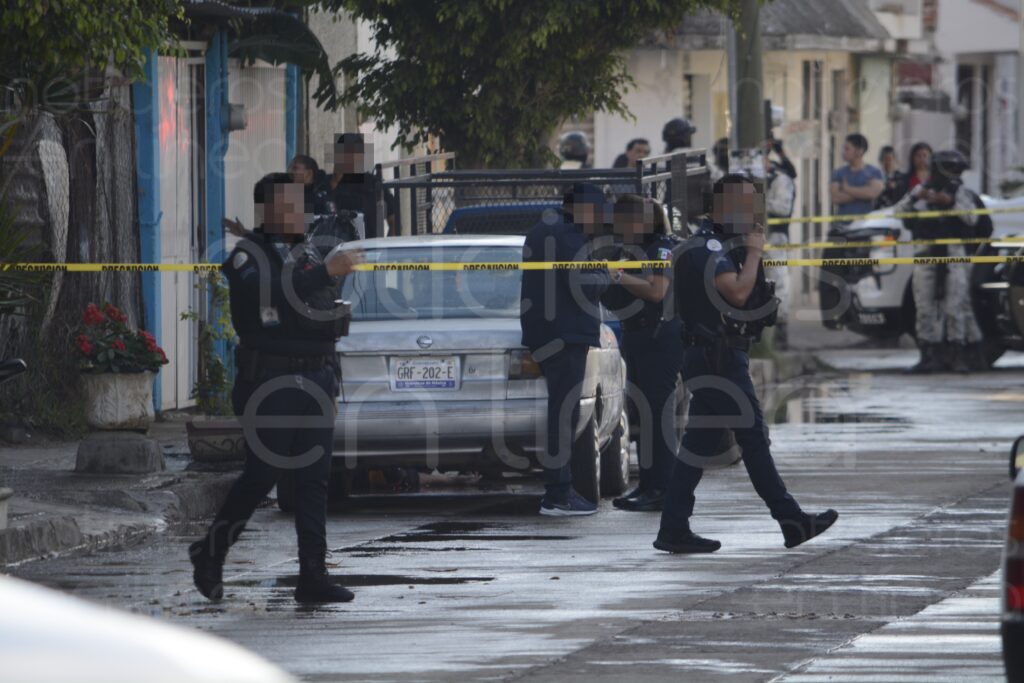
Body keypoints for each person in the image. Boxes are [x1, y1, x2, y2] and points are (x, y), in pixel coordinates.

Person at [189, 172, 364, 603]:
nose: (296, 213)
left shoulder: (304, 253)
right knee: (261, 475)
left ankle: (313, 575)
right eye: (286, 205)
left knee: (314, 480)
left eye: (300, 204)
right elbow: (267, 294)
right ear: (266, 210)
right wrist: (324, 270)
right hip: (271, 380)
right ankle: (211, 552)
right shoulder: (247, 255)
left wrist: (333, 385)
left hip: (317, 378)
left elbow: (323, 318)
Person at [654, 174, 838, 554]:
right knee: (753, 438)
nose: (749, 212)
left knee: (696, 448)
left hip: (711, 355)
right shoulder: (708, 246)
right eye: (741, 204)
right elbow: (737, 293)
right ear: (717, 205)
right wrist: (755, 253)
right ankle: (792, 521)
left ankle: (673, 527)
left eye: (752, 204)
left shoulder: (714, 244)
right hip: (716, 357)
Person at [520, 183, 612, 516]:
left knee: (561, 411)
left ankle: (560, 490)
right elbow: (585, 285)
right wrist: (605, 274)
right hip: (566, 334)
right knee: (564, 414)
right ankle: (559, 494)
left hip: (547, 332)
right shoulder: (571, 235)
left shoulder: (544, 228)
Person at [604, 196, 682, 512]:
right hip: (638, 336)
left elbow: (656, 290)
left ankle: (664, 487)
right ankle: (648, 484)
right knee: (643, 415)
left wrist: (619, 275)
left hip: (660, 338)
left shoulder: (661, 248)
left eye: (622, 221)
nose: (618, 228)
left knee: (658, 415)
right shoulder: (631, 249)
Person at [895, 150, 987, 373]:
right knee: (924, 306)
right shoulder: (922, 191)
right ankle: (928, 354)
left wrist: (951, 201)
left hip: (954, 253)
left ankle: (959, 354)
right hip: (926, 251)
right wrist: (919, 195)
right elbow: (899, 211)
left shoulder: (961, 193)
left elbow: (972, 217)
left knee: (957, 305)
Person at [223, 155, 331, 237]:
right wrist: (246, 234)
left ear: (308, 173)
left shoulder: (318, 200)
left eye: (295, 168)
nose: (290, 172)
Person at [329, 132, 397, 239]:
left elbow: (394, 223)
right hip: (335, 248)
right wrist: (334, 182)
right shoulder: (326, 184)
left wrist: (385, 250)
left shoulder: (374, 184)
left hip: (369, 249)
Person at [764, 135, 797, 349]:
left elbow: (782, 208)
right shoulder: (741, 174)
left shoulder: (779, 177)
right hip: (748, 238)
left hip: (774, 236)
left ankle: (780, 332)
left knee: (778, 282)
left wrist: (758, 201)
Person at [830, 133, 884, 218]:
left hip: (866, 225)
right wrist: (863, 193)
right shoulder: (838, 173)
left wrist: (847, 189)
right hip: (842, 225)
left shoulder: (874, 172)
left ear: (859, 151)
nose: (843, 152)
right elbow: (835, 198)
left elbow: (872, 193)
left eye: (847, 149)